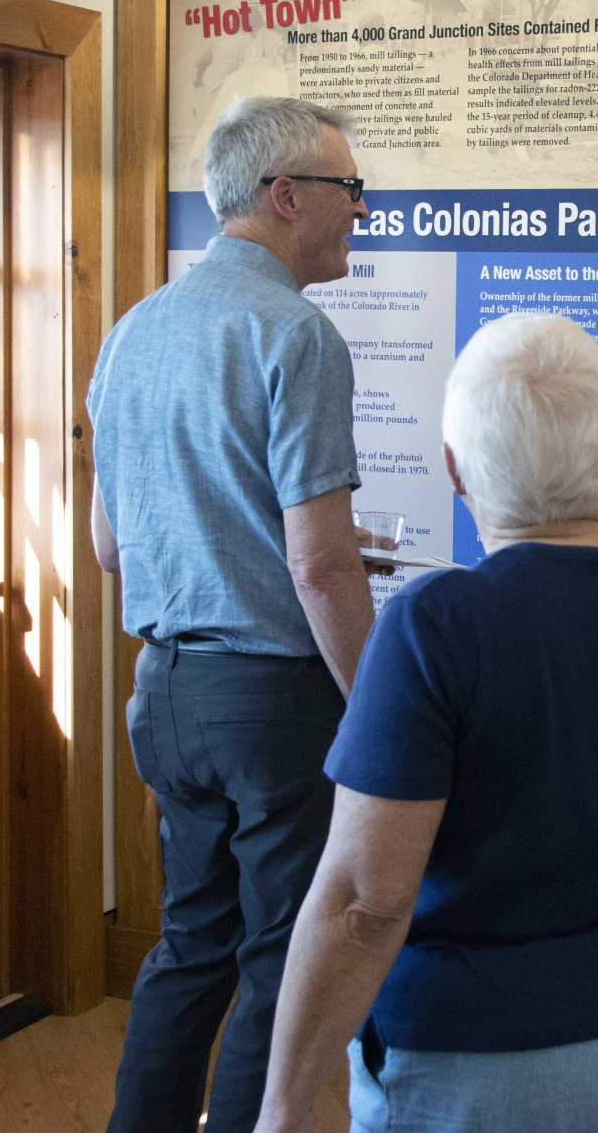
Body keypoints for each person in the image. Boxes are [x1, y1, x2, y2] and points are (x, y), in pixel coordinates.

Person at [250, 314, 598, 1133]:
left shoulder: (434, 625)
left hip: (487, 1054)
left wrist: (281, 1108)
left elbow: (363, 904)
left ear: (454, 470)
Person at [88, 96, 383, 1133]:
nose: (362, 210)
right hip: (271, 701)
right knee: (281, 961)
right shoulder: (296, 333)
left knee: (188, 947)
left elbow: (112, 548)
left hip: (163, 693)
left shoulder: (130, 331)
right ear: (286, 195)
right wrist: (382, 703)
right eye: (351, 190)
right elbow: (319, 565)